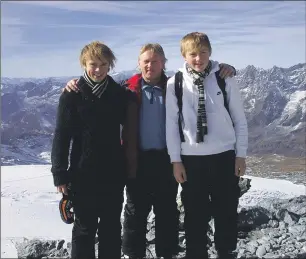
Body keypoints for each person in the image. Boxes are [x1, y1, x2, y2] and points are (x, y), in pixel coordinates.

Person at [64, 43, 236, 259]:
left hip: (168, 158)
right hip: (137, 159)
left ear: (163, 63)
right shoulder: (126, 90)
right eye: (146, 61)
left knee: (167, 210)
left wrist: (223, 67)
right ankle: (133, 254)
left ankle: (167, 253)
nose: (150, 65)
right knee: (135, 211)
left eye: (155, 61)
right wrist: (74, 83)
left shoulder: (177, 86)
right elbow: (98, 94)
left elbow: (202, 74)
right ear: (138, 63)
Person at [165, 32, 248, 259]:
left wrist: (240, 155)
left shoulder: (224, 77)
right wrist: (176, 161)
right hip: (192, 159)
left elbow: (239, 119)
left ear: (210, 52)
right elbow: (171, 124)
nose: (198, 58)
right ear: (184, 55)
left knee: (227, 210)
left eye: (203, 52)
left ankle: (226, 252)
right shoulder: (176, 83)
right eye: (193, 54)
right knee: (194, 214)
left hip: (224, 156)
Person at [51, 41, 132, 259]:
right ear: (84, 64)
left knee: (111, 228)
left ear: (110, 65)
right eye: (92, 64)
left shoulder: (118, 94)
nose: (98, 70)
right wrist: (59, 173)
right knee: (84, 229)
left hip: (113, 173)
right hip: (81, 173)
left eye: (103, 64)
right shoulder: (72, 95)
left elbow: (140, 90)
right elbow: (62, 136)